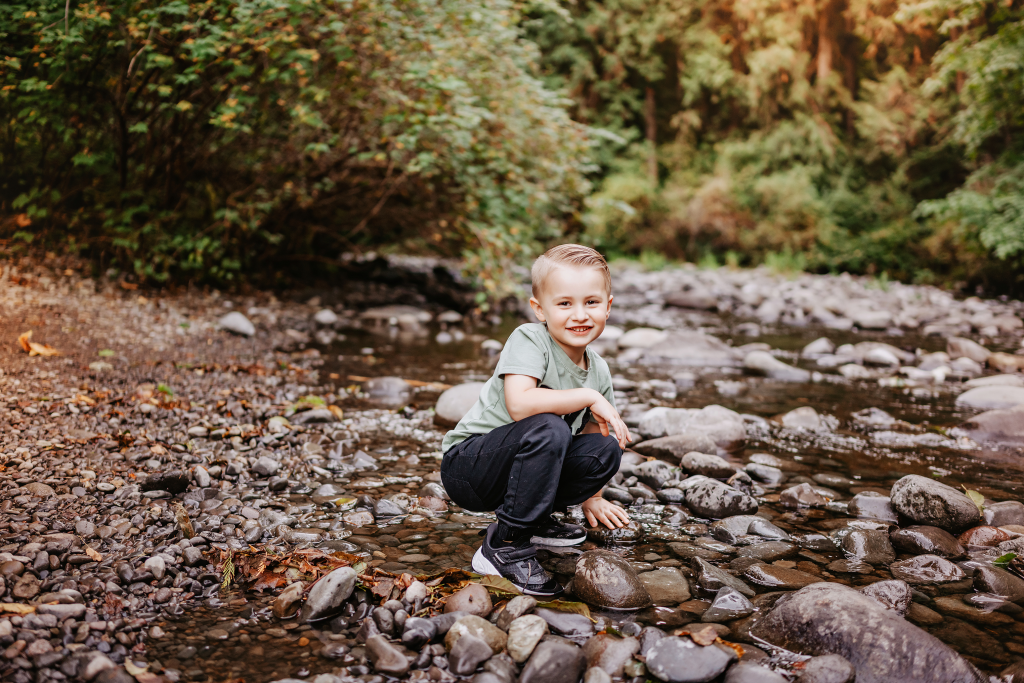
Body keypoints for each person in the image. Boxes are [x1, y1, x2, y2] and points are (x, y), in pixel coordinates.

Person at [440, 244, 632, 596]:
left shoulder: (599, 369)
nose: (580, 314)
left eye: (591, 302)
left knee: (605, 446)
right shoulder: (529, 339)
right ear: (539, 309)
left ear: (607, 306)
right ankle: (503, 546)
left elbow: (594, 430)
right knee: (549, 427)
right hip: (469, 469)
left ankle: (536, 520)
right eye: (564, 303)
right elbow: (520, 405)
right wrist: (590, 397)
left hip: (520, 470)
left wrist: (592, 498)